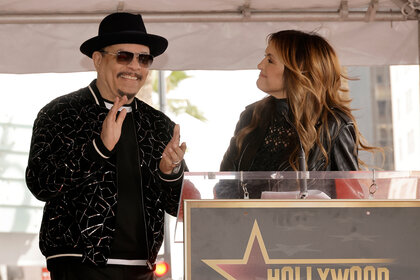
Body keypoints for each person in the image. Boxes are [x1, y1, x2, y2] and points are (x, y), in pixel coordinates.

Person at [25, 12, 187, 280]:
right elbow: (41, 183)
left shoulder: (158, 124)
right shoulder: (60, 113)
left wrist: (170, 173)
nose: (135, 66)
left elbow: (179, 208)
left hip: (141, 269)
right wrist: (98, 148)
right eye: (124, 56)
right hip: (78, 265)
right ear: (98, 60)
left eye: (143, 59)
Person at [216, 30, 376, 199]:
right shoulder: (251, 116)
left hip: (310, 224)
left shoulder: (334, 123)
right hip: (248, 224)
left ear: (298, 71)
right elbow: (225, 187)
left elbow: (350, 200)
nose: (260, 65)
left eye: (270, 60)